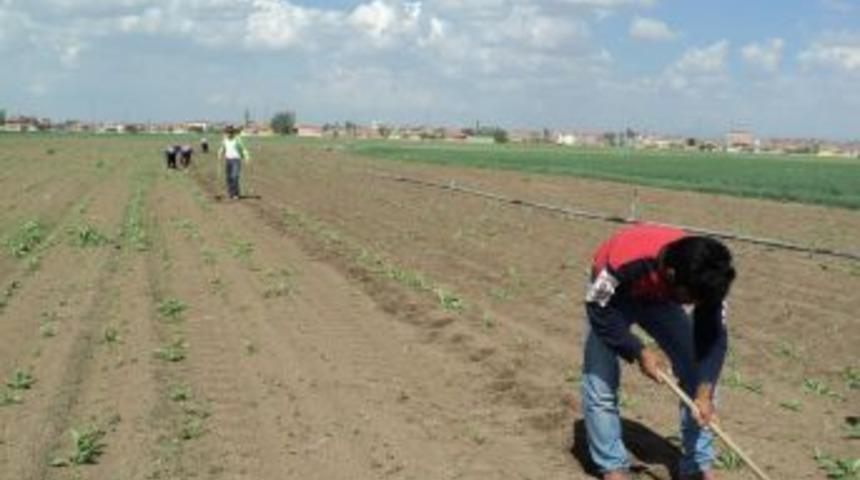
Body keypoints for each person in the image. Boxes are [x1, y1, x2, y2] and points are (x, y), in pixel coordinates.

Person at [580, 223, 736, 480]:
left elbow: (712, 338)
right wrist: (638, 351)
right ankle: (612, 467)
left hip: (660, 299)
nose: (694, 306)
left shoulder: (707, 281)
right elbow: (597, 308)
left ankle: (697, 466)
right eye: (691, 299)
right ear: (672, 274)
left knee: (699, 378)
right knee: (600, 379)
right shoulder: (626, 260)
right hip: (613, 301)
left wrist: (705, 393)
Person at [217, 125, 251, 200]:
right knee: (228, 178)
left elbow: (243, 149)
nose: (229, 134)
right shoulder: (225, 140)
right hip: (228, 160)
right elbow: (222, 148)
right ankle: (230, 193)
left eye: (230, 132)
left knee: (234, 176)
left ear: (233, 132)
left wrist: (247, 157)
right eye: (227, 132)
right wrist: (219, 153)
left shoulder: (237, 140)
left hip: (236, 160)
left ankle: (236, 194)